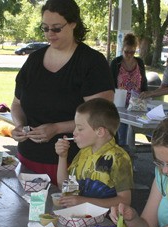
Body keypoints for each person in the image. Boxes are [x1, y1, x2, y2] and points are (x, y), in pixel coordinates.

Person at [10, 0, 114, 186]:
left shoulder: (92, 62)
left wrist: (56, 128)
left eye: (56, 28)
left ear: (73, 23)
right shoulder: (34, 60)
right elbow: (17, 104)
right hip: (29, 160)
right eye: (45, 28)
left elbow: (101, 117)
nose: (50, 33)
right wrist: (20, 126)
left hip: (76, 163)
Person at [55, 98, 133, 208]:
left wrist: (83, 201)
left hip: (108, 222)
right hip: (81, 218)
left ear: (100, 132)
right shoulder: (84, 153)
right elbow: (64, 187)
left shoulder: (119, 158)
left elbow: (125, 201)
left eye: (80, 128)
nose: (74, 132)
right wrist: (62, 157)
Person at [109, 33, 148, 146]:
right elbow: (110, 83)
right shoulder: (116, 63)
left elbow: (143, 81)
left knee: (132, 133)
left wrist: (145, 93)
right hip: (120, 103)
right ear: (122, 49)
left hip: (136, 103)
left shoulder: (139, 62)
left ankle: (130, 155)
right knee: (121, 133)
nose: (129, 55)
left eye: (132, 52)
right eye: (127, 52)